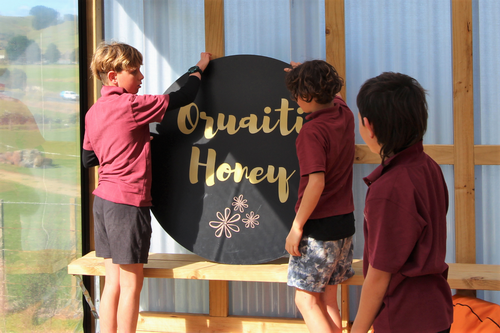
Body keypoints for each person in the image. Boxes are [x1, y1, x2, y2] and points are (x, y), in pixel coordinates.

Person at [82, 41, 211, 333]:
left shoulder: (94, 111)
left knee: (112, 283)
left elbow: (89, 158)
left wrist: (129, 142)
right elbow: (185, 96)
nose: (141, 77)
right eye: (134, 71)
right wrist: (199, 67)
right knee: (131, 286)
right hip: (127, 203)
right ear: (114, 76)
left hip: (102, 202)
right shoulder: (130, 105)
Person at [351, 72, 453, 333]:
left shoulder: (390, 188)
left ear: (368, 126)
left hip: (405, 318)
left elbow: (379, 274)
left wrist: (357, 330)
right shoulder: (427, 166)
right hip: (436, 311)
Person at [284, 60, 356, 333]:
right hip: (344, 225)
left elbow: (316, 182)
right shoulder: (344, 114)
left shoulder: (311, 132)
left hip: (319, 229)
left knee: (305, 299)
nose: (295, 100)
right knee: (328, 301)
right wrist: (307, 72)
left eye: (297, 94)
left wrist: (297, 227)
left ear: (307, 96)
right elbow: (337, 97)